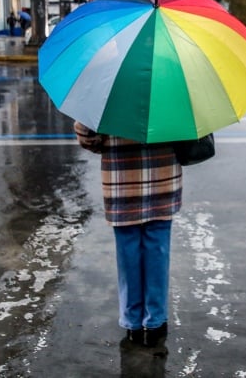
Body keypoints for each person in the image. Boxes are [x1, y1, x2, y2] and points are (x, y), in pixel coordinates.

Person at [73, 121, 182, 349]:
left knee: (128, 254)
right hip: (162, 180)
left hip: (122, 181)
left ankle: (132, 323)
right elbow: (187, 132)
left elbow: (87, 136)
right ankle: (155, 322)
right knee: (158, 253)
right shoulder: (170, 90)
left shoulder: (107, 89)